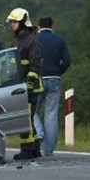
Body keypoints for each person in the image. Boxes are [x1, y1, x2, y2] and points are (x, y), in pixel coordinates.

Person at [6, 7, 44, 160]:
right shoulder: (18, 40)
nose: (12, 25)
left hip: (30, 87)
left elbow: (36, 65)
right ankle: (35, 149)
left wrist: (28, 82)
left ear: (22, 22)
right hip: (21, 86)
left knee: (26, 117)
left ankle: (27, 150)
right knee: (28, 116)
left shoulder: (32, 40)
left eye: (14, 22)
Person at [32, 17, 72, 157]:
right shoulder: (60, 40)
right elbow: (67, 61)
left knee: (33, 110)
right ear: (52, 26)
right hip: (55, 79)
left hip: (38, 79)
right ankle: (49, 151)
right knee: (51, 115)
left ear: (39, 26)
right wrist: (58, 71)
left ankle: (39, 132)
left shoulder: (35, 39)